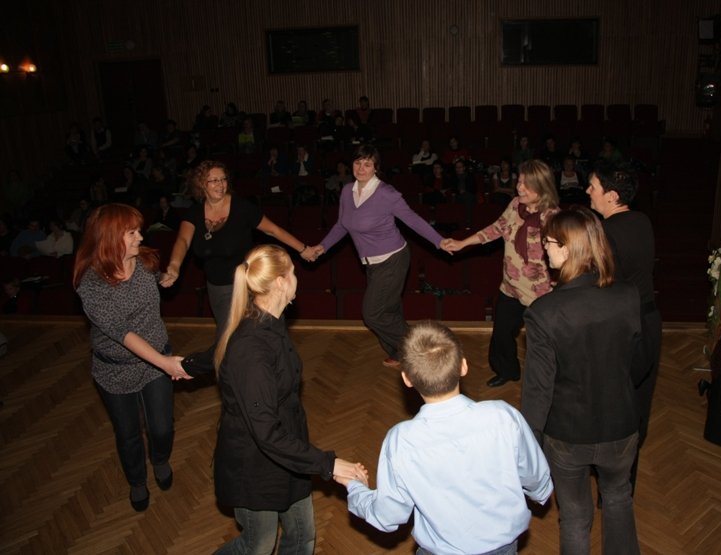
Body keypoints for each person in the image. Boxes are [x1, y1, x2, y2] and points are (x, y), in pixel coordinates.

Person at [339, 321, 553, 555]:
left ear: (407, 379)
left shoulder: (401, 441)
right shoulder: (503, 417)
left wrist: (356, 489)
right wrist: (540, 492)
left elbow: (388, 516)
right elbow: (536, 476)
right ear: (463, 366)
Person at [212, 244, 367, 555]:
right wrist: (329, 464)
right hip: (255, 466)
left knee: (301, 536)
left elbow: (230, 354)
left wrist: (187, 365)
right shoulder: (252, 348)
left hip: (288, 452)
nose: (298, 277)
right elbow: (265, 431)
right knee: (258, 545)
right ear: (281, 282)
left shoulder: (269, 321)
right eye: (293, 272)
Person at [521, 205, 642, 555]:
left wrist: (530, 443)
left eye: (548, 242)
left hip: (568, 435)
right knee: (618, 498)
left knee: (574, 516)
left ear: (568, 247)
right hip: (621, 425)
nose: (544, 249)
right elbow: (638, 363)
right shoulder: (628, 295)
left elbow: (538, 391)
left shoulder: (544, 312)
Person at [73, 204, 192, 512]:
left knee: (161, 427)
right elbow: (122, 332)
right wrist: (166, 363)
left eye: (139, 230)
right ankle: (137, 481)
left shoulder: (145, 262)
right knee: (128, 435)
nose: (140, 236)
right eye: (132, 232)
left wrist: (167, 276)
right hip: (115, 370)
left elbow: (151, 286)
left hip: (156, 359)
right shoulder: (91, 284)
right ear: (111, 237)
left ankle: (160, 459)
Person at [308, 144, 445, 367]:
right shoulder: (347, 191)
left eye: (367, 164)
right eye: (357, 162)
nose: (361, 168)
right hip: (371, 264)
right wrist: (322, 247)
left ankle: (419, 347)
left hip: (393, 259)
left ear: (376, 168)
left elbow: (413, 219)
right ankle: (399, 352)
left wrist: (439, 241)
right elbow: (342, 225)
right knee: (390, 310)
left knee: (372, 313)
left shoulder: (386, 194)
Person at [160, 160, 315, 339]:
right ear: (202, 184)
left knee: (254, 333)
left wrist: (303, 249)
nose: (220, 184)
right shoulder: (194, 213)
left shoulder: (241, 208)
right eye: (214, 180)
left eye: (223, 179)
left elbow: (273, 230)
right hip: (216, 287)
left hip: (245, 285)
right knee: (227, 336)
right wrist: (174, 266)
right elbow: (183, 240)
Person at [441, 159, 559, 387]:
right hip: (511, 286)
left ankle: (545, 381)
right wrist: (462, 243)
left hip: (540, 292)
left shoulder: (552, 217)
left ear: (542, 188)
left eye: (526, 184)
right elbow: (495, 229)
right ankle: (508, 371)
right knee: (501, 334)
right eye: (519, 181)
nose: (519, 187)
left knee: (542, 342)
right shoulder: (515, 205)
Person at [587, 160, 661, 491]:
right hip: (649, 320)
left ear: (612, 195)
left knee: (610, 403)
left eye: (593, 187)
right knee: (638, 401)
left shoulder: (605, 233)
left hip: (620, 326)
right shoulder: (642, 220)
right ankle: (623, 483)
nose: (588, 191)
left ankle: (609, 481)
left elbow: (604, 287)